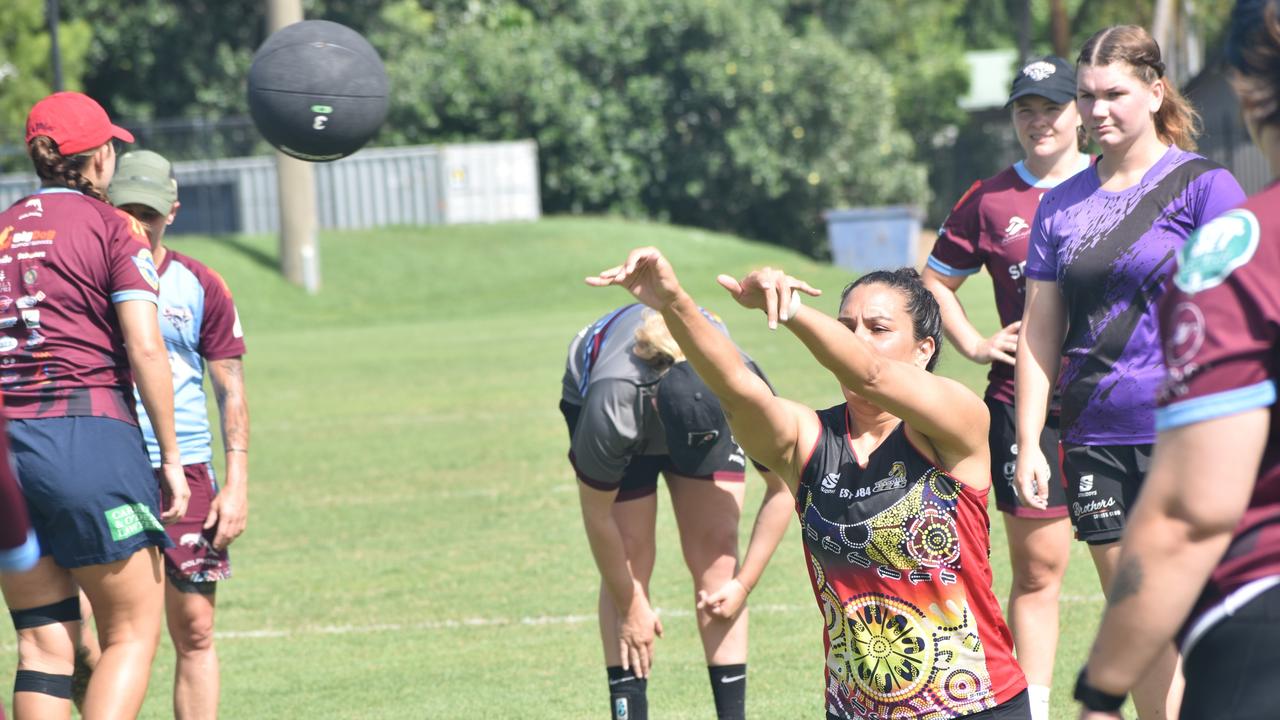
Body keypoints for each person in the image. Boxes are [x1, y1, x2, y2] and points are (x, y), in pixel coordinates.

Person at [589, 248, 1029, 719]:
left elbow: (872, 374)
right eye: (846, 328)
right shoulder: (809, 440)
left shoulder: (954, 423)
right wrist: (674, 303)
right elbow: (737, 389)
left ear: (925, 349)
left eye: (878, 329)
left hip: (977, 704)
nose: (858, 339)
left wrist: (792, 309)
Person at [1014, 25, 1246, 719]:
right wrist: (1029, 440)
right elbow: (1040, 330)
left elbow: (1246, 309)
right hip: (1097, 441)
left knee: (1212, 621)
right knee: (1140, 624)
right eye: (1086, 96)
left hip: (1194, 435)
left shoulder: (1206, 187)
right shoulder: (1058, 205)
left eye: (1114, 93)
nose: (1096, 111)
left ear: (1154, 90)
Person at [1073, 2, 1280, 719]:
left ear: (1248, 91)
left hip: (1260, 619)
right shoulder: (1063, 204)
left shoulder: (1242, 250)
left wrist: (1101, 690)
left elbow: (1191, 515)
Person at [0, 91, 188, 720]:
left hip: (7, 448)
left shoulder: (3, 227)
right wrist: (171, 456)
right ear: (100, 156)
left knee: (43, 644)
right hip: (84, 435)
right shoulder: (114, 229)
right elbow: (145, 347)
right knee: (130, 632)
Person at [922, 55, 1089, 720]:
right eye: (1026, 108)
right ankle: (1036, 710)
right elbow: (936, 281)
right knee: (1040, 570)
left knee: (1136, 566)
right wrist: (971, 342)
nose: (1038, 120)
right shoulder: (989, 198)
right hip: (1023, 404)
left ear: (1081, 111)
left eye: (1051, 106)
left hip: (1119, 400)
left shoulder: (1118, 184)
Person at [561, 303, 792, 720]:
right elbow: (597, 517)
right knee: (629, 555)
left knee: (718, 551)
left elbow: (783, 488)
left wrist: (743, 584)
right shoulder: (613, 400)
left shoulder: (742, 384)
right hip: (615, 405)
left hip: (702, 404)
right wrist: (632, 609)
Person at [108, 149, 248, 719]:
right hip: (111, 466)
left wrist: (235, 483)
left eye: (151, 213)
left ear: (174, 212)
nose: (139, 225)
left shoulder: (200, 284)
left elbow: (231, 390)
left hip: (189, 469)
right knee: (98, 628)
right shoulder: (92, 281)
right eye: (127, 212)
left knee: (195, 629)